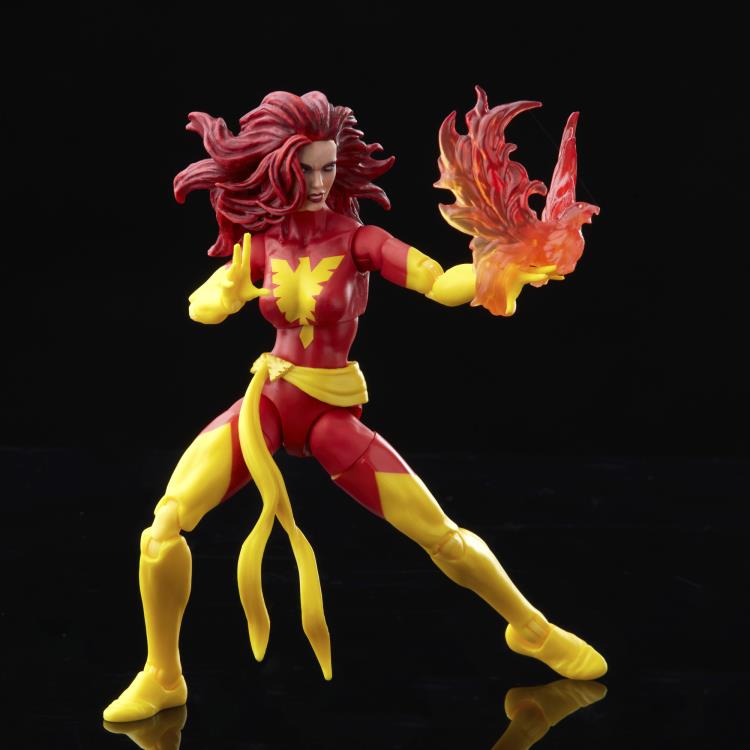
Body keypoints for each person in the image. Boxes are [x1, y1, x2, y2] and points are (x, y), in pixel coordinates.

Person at [103, 90, 606, 723]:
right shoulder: (261, 245)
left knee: (441, 536)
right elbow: (202, 305)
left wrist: (504, 270)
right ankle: (163, 674)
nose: (318, 182)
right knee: (164, 528)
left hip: (327, 414)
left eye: (327, 167)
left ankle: (530, 628)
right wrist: (224, 291)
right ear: (278, 168)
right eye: (305, 168)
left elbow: (437, 282)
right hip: (268, 403)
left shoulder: (360, 240)